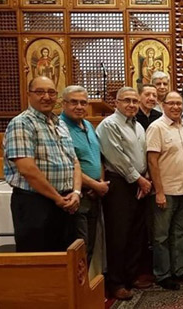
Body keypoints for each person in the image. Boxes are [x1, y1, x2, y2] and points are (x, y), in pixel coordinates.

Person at [4, 76, 81, 252]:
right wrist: (57, 198)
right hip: (35, 204)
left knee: (66, 260)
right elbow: (27, 169)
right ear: (29, 95)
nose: (46, 97)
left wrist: (76, 192)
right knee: (39, 261)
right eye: (40, 92)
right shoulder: (22, 123)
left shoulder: (59, 123)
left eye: (51, 92)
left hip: (66, 201)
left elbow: (74, 161)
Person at [96, 87, 152, 300]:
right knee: (118, 234)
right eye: (126, 100)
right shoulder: (109, 125)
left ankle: (131, 276)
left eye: (134, 101)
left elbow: (142, 155)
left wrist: (144, 178)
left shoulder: (137, 126)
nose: (131, 104)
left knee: (136, 232)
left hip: (139, 181)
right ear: (116, 102)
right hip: (120, 183)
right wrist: (139, 179)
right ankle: (116, 282)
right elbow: (116, 157)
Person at [147, 91, 183, 290]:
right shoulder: (156, 128)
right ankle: (163, 274)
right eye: (172, 104)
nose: (176, 107)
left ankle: (180, 270)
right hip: (166, 190)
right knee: (161, 236)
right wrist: (158, 192)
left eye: (179, 104)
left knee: (181, 233)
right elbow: (152, 161)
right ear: (163, 105)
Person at [60, 85, 108, 264]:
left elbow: (97, 157)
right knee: (78, 247)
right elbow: (70, 164)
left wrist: (100, 181)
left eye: (83, 102)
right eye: (74, 102)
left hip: (94, 193)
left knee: (90, 246)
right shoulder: (60, 127)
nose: (79, 106)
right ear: (63, 104)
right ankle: (76, 291)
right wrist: (95, 185)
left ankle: (86, 290)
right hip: (76, 194)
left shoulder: (87, 124)